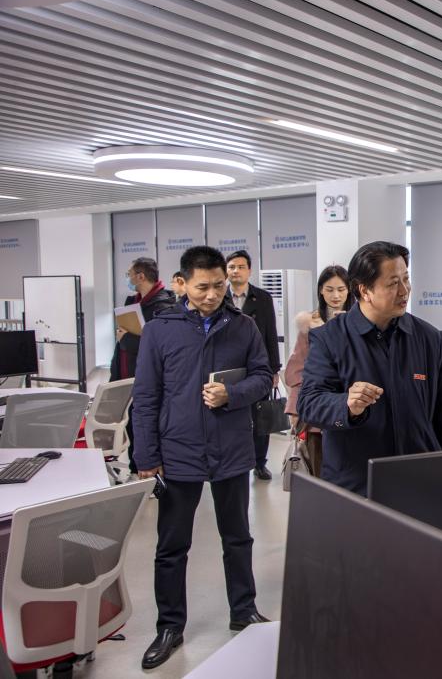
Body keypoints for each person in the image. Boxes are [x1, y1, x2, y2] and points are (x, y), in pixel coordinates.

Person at [132, 246, 273, 670]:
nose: (212, 295)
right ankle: (169, 626)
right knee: (172, 545)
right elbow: (145, 397)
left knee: (238, 537)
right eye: (202, 287)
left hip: (231, 448)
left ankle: (243, 610)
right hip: (179, 449)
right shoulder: (160, 331)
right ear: (182, 283)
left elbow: (263, 377)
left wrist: (233, 394)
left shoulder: (243, 326)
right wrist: (146, 455)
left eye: (219, 286)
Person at [297, 241, 442, 496]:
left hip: (421, 483)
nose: (404, 290)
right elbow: (309, 404)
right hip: (357, 486)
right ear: (364, 290)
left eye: (406, 279)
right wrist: (346, 405)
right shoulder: (330, 339)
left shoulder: (428, 338)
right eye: (393, 283)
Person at [109, 256, 177, 476]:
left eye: (129, 274)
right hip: (127, 374)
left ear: (140, 276)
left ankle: (150, 471)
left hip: (150, 378)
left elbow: (160, 346)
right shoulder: (133, 302)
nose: (127, 278)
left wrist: (127, 339)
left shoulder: (164, 306)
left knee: (148, 427)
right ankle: (136, 467)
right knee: (132, 425)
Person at [284, 265, 352, 477]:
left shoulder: (359, 323)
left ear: (350, 289)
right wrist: (295, 409)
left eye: (341, 289)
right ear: (321, 290)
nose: (336, 295)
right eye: (329, 289)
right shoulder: (310, 324)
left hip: (350, 406)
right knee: (318, 470)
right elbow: (296, 370)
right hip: (317, 410)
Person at [225, 250, 282, 480]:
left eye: (240, 267)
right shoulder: (220, 297)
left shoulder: (263, 297)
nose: (236, 271)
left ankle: (259, 462)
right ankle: (233, 462)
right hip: (230, 367)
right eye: (231, 267)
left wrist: (274, 369)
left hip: (258, 365)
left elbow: (271, 334)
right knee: (230, 416)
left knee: (260, 417)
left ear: (249, 270)